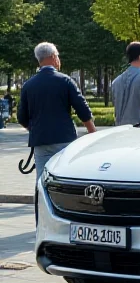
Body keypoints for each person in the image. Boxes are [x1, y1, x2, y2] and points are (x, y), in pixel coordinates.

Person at [17, 42, 96, 180]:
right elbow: (82, 109)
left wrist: (35, 129)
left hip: (40, 140)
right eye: (58, 56)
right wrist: (92, 133)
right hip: (64, 138)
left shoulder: (28, 85)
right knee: (65, 178)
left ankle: (41, 201)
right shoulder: (65, 81)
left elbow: (21, 117)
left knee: (42, 179)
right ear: (53, 57)